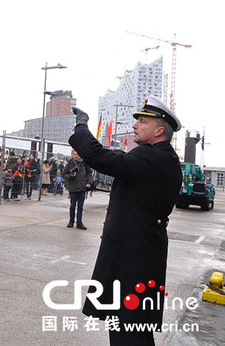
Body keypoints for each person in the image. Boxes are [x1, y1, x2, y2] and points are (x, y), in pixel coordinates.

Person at [70, 96, 182, 345]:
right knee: (127, 326)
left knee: (129, 329)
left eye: (142, 121)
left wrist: (81, 127)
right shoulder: (157, 157)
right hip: (136, 253)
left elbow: (98, 156)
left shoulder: (153, 158)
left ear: (159, 130)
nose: (135, 126)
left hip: (134, 258)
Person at [62, 150, 92, 230]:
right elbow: (64, 174)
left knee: (80, 206)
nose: (76, 156)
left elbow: (89, 173)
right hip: (73, 188)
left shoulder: (84, 163)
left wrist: (89, 182)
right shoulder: (69, 164)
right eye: (74, 154)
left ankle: (79, 222)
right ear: (72, 155)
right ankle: (71, 221)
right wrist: (71, 176)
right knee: (72, 206)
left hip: (82, 188)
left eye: (77, 154)